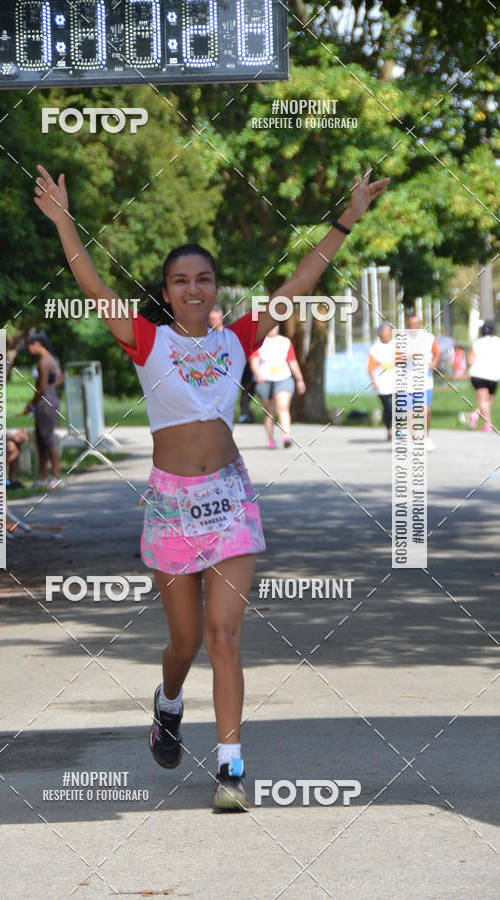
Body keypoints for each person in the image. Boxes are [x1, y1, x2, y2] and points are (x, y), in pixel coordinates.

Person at [34, 163, 389, 811]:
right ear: (166, 292)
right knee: (185, 643)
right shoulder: (145, 340)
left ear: (215, 287)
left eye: (203, 279)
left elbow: (301, 279)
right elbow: (90, 282)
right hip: (171, 505)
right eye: (180, 281)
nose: (193, 289)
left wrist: (349, 217)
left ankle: (230, 769)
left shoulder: (239, 337)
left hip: (230, 500)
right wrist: (64, 220)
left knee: (226, 637)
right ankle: (168, 703)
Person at [249, 325, 305, 448]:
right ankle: (271, 440)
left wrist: (299, 379)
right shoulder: (258, 342)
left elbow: (292, 362)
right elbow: (254, 361)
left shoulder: (285, 342)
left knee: (282, 407)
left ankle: (286, 437)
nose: (271, 328)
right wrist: (257, 374)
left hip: (283, 378)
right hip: (265, 380)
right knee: (269, 412)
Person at [20, 331, 63, 488]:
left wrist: (30, 404)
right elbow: (58, 380)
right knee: (41, 440)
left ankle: (56, 476)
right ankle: (41, 476)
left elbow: (41, 387)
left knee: (48, 439)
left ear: (37, 344)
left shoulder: (44, 361)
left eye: (29, 346)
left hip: (45, 403)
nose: (28, 349)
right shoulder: (53, 358)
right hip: (51, 399)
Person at [404, 313, 440, 452]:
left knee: (426, 411)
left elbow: (437, 353)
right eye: (412, 325)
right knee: (411, 413)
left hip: (425, 381)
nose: (415, 327)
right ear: (407, 326)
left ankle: (426, 437)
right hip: (407, 381)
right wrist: (408, 357)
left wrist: (434, 363)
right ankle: (414, 440)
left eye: (417, 324)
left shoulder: (429, 338)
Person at [467, 320, 500, 432]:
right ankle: (487, 424)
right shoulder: (498, 342)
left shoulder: (477, 343)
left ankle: (474, 415)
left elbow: (470, 361)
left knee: (486, 401)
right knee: (487, 400)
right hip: (493, 376)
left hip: (478, 374)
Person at [367, 322, 395, 440]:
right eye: (385, 331)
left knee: (399, 407)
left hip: (396, 382)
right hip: (382, 384)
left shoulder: (397, 346)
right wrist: (374, 382)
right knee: (388, 408)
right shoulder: (375, 349)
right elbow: (370, 368)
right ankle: (389, 431)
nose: (388, 333)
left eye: (390, 331)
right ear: (380, 333)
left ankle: (399, 430)